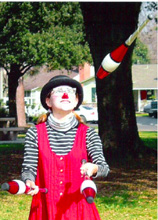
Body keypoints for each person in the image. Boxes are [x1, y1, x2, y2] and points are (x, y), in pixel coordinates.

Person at [21, 75, 109, 220]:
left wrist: (94, 168)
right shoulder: (34, 133)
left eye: (70, 91)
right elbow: (28, 168)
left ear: (75, 101)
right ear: (48, 100)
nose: (65, 94)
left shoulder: (88, 134)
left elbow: (103, 168)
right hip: (44, 211)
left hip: (80, 212)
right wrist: (29, 181)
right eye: (59, 90)